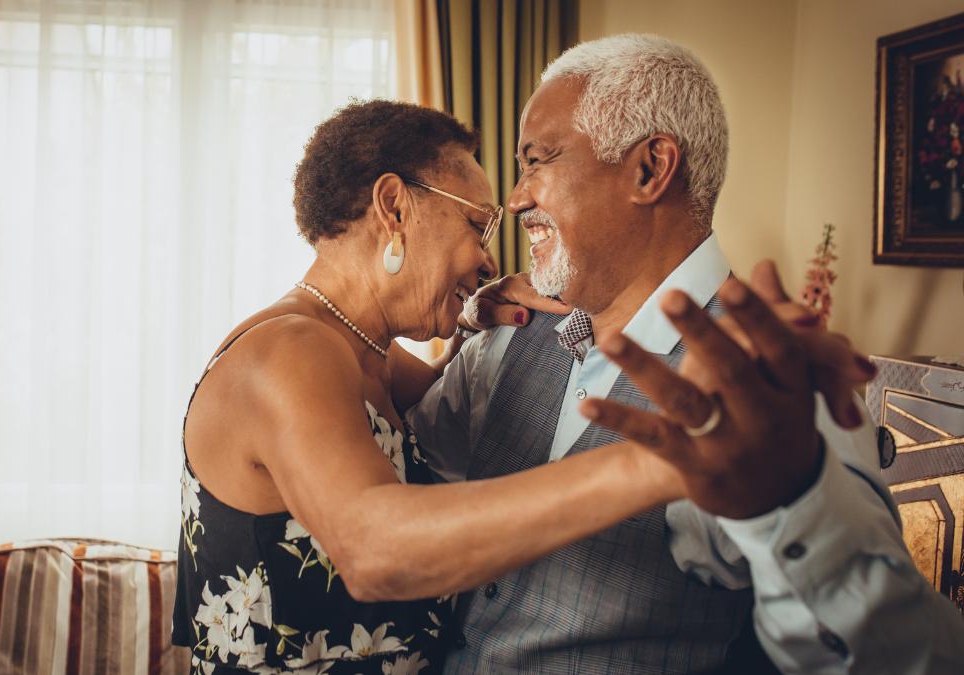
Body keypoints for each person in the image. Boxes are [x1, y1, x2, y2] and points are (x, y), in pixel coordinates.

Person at [170, 98, 876, 674]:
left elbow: (437, 416)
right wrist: (663, 457)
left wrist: (475, 316)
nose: (487, 255)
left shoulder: (364, 353)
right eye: (477, 225)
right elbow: (374, 550)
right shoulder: (288, 355)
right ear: (395, 207)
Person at [406, 33, 964, 673]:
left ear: (649, 169)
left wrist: (794, 499)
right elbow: (402, 471)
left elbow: (909, 659)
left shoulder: (770, 382)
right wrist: (458, 320)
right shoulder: (509, 331)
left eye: (537, 161)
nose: (516, 197)